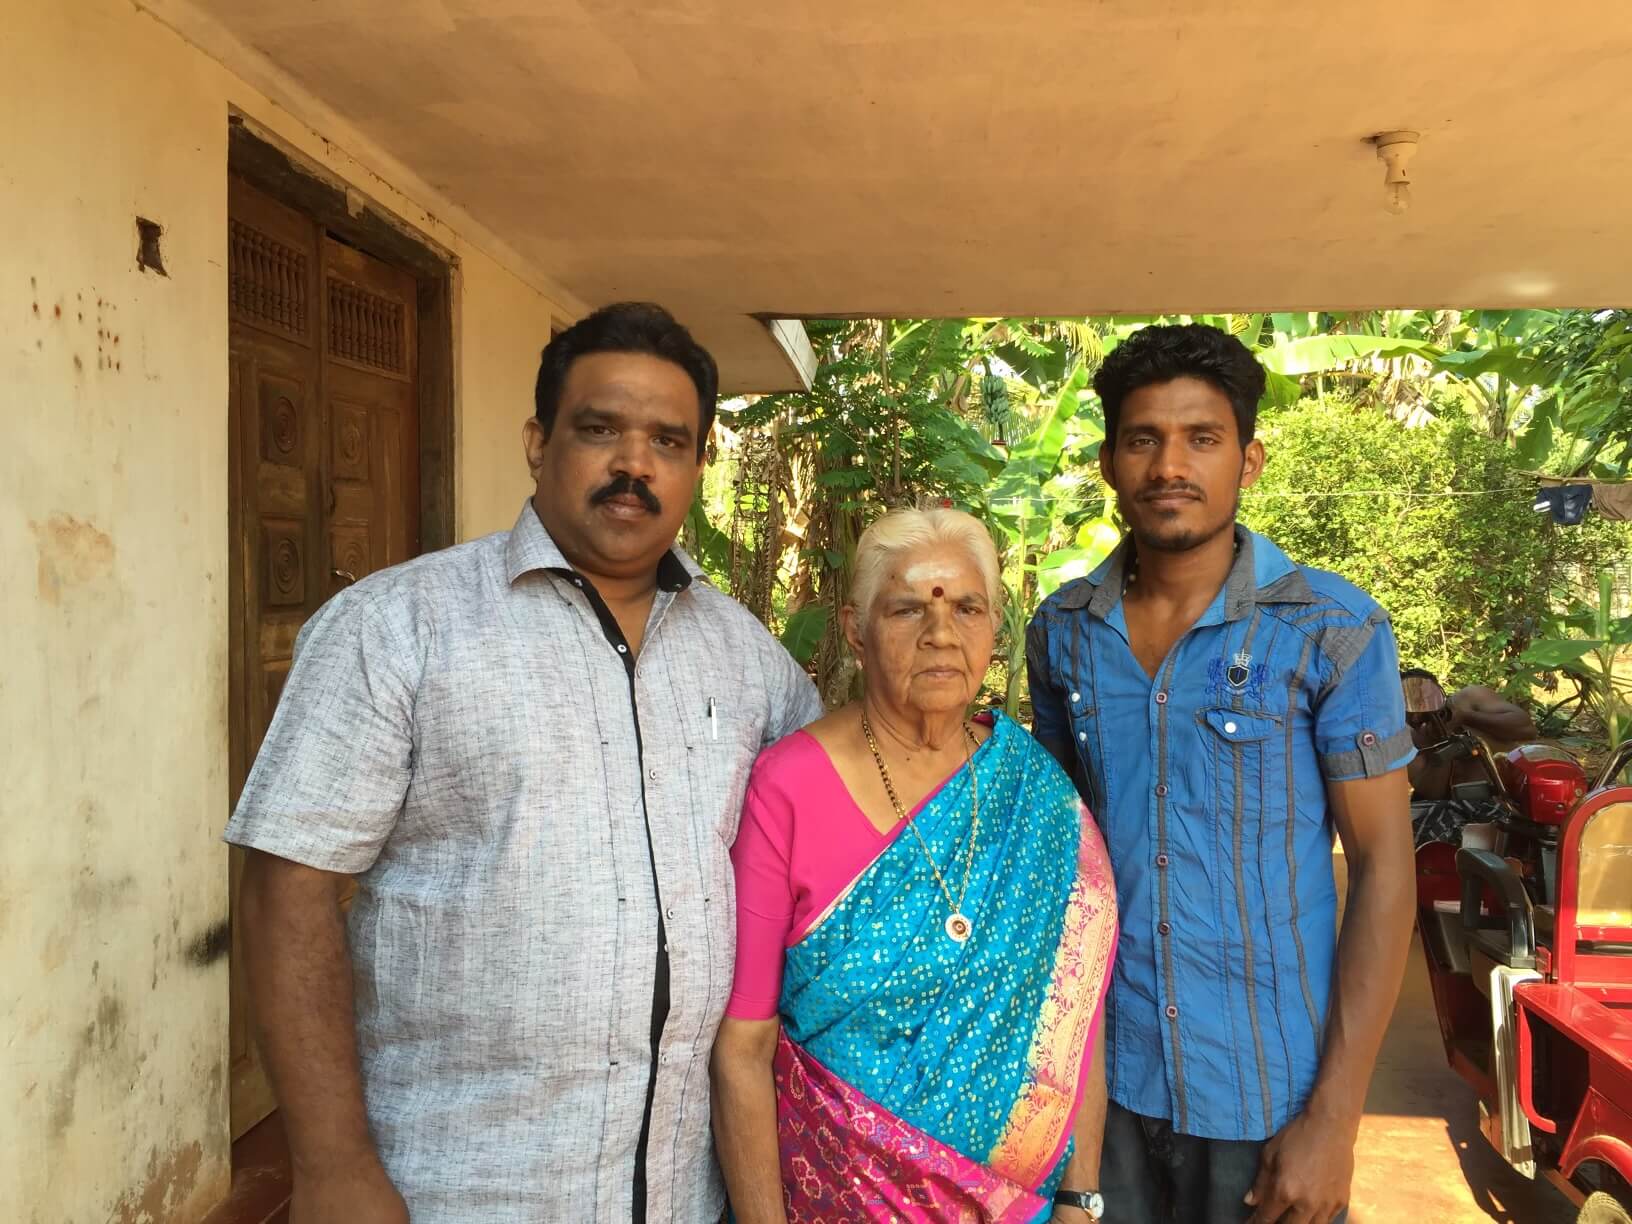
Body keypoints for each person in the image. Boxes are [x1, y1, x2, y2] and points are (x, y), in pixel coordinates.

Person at [226, 302, 823, 1224]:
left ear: (700, 464)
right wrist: (334, 1164)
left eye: (668, 441)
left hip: (684, 1193)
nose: (635, 465)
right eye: (600, 430)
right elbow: (286, 889)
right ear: (539, 444)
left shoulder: (749, 659)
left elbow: (830, 837)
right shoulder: (398, 628)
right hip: (458, 1187)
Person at [1026, 324, 1416, 1224]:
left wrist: (1336, 1118)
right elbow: (1062, 853)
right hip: (1106, 1077)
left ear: (1250, 459)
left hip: (1268, 1093)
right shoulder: (1064, 632)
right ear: (1108, 462)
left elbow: (1385, 867)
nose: (1170, 466)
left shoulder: (1330, 629)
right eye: (1143, 439)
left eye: (1202, 438)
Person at [712, 508, 1118, 1223]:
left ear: (993, 628)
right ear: (855, 629)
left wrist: (1079, 1200)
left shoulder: (1035, 794)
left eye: (967, 608)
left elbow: (1073, 1011)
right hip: (836, 1201)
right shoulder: (788, 788)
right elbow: (744, 1046)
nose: (940, 634)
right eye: (907, 609)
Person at [1402, 667, 1537, 846]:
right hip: (1460, 815)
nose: (1420, 710)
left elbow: (1526, 729)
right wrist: (1439, 740)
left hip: (1512, 800)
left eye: (1426, 698)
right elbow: (1434, 793)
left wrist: (1467, 717)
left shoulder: (1470, 698)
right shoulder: (1407, 738)